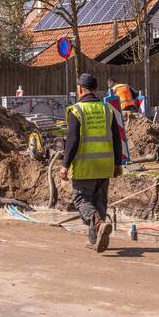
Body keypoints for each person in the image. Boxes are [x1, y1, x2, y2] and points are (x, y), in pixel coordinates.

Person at [61, 73, 123, 253]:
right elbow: (117, 139)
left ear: (80, 89)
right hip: (105, 165)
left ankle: (97, 223)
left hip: (85, 166)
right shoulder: (107, 109)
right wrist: (118, 164)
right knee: (99, 201)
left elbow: (72, 141)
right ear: (96, 90)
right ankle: (95, 239)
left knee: (81, 199)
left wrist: (65, 165)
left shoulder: (77, 110)